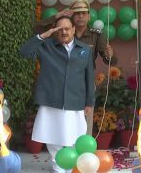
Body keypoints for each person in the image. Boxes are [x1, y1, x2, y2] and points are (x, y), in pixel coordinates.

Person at [20, 16, 95, 173]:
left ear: (74, 29)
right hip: (51, 100)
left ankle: (73, 166)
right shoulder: (47, 46)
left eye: (67, 28)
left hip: (75, 100)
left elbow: (89, 77)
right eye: (60, 29)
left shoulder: (85, 49)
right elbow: (25, 52)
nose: (64, 32)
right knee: (53, 136)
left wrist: (89, 102)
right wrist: (43, 36)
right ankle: (58, 167)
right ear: (54, 31)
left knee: (75, 136)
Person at [34, 0, 118, 135]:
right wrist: (58, 16)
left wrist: (110, 55)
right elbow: (37, 29)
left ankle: (85, 152)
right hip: (61, 82)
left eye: (84, 13)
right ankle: (63, 149)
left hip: (84, 82)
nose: (80, 16)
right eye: (77, 13)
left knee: (84, 122)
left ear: (89, 16)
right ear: (71, 15)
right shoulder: (62, 31)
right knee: (62, 121)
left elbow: (111, 61)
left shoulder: (96, 35)